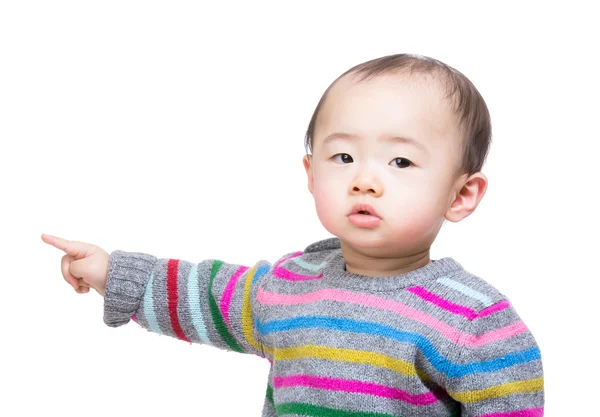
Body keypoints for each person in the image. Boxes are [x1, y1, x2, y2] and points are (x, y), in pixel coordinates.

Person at [41, 53, 544, 416]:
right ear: (310, 173)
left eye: (401, 161)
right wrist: (112, 272)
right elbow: (204, 294)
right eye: (343, 156)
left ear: (460, 195)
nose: (364, 179)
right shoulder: (286, 288)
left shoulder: (473, 319)